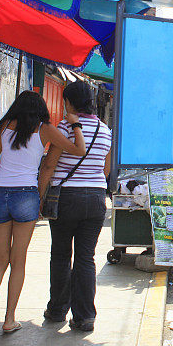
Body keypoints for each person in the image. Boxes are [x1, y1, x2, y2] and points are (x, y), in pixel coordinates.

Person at [0, 90, 86, 337]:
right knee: (18, 261)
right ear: (40, 110)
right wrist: (75, 124)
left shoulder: (4, 127)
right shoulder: (44, 129)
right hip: (26, 194)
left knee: (0, 260)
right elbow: (79, 150)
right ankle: (9, 319)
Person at [39, 81, 112, 332]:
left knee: (60, 254)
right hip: (95, 198)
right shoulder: (105, 130)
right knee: (85, 257)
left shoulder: (66, 126)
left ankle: (58, 310)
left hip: (66, 198)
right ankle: (85, 316)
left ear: (69, 102)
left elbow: (50, 164)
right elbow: (106, 168)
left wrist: (39, 196)